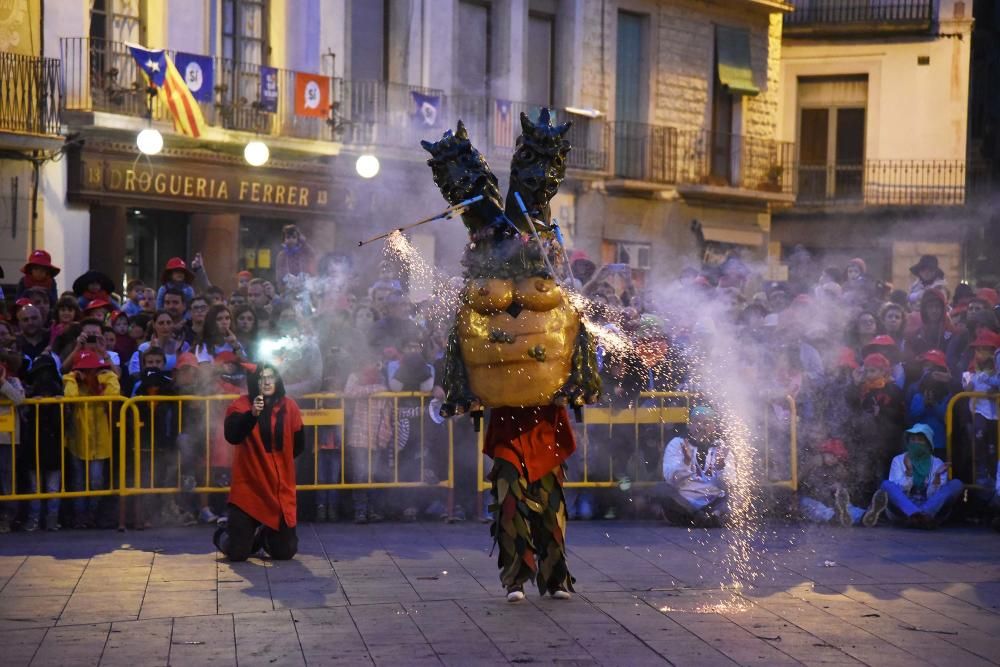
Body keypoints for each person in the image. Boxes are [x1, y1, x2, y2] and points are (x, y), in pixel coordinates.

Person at [214, 365, 304, 561]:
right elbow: (233, 436)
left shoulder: (290, 407)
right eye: (262, 378)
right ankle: (227, 534)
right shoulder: (240, 405)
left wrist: (280, 464)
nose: (267, 382)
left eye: (271, 377)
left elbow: (299, 445)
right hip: (249, 491)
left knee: (285, 552)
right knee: (237, 553)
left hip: (278, 491)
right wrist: (252, 415)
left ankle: (263, 536)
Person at [63, 350, 120, 528]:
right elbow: (70, 397)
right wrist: (72, 378)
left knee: (96, 481)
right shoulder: (73, 384)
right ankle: (80, 517)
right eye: (84, 369)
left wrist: (104, 376)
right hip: (77, 441)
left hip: (100, 442)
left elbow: (115, 393)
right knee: (79, 482)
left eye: (92, 369)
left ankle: (93, 515)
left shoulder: (103, 384)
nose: (88, 373)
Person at [876, 423, 964, 528]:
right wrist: (909, 472)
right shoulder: (898, 460)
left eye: (920, 440)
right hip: (904, 508)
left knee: (957, 484)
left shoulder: (937, 463)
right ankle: (917, 515)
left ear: (928, 443)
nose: (916, 443)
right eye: (913, 440)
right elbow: (898, 491)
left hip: (930, 507)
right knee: (886, 484)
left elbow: (934, 496)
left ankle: (921, 515)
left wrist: (936, 478)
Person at [655, 406, 730, 528]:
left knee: (740, 494)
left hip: (712, 500)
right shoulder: (677, 443)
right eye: (696, 422)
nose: (701, 427)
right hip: (684, 502)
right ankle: (702, 517)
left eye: (706, 423)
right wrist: (686, 462)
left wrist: (721, 466)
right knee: (661, 489)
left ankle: (711, 516)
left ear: (714, 427)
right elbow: (670, 478)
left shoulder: (722, 447)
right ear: (689, 425)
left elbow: (731, 483)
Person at [0, 359, 26, 533]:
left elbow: (19, 399)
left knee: (6, 479)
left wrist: (2, 382)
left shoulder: (14, 381)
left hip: (7, 438)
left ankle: (6, 519)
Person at [275, 224, 316, 292]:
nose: (291, 240)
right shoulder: (282, 255)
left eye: (294, 237)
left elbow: (312, 254)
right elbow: (279, 274)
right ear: (284, 240)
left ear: (298, 239)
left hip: (304, 288)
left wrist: (304, 243)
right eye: (288, 237)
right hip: (288, 289)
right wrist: (281, 289)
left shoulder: (303, 252)